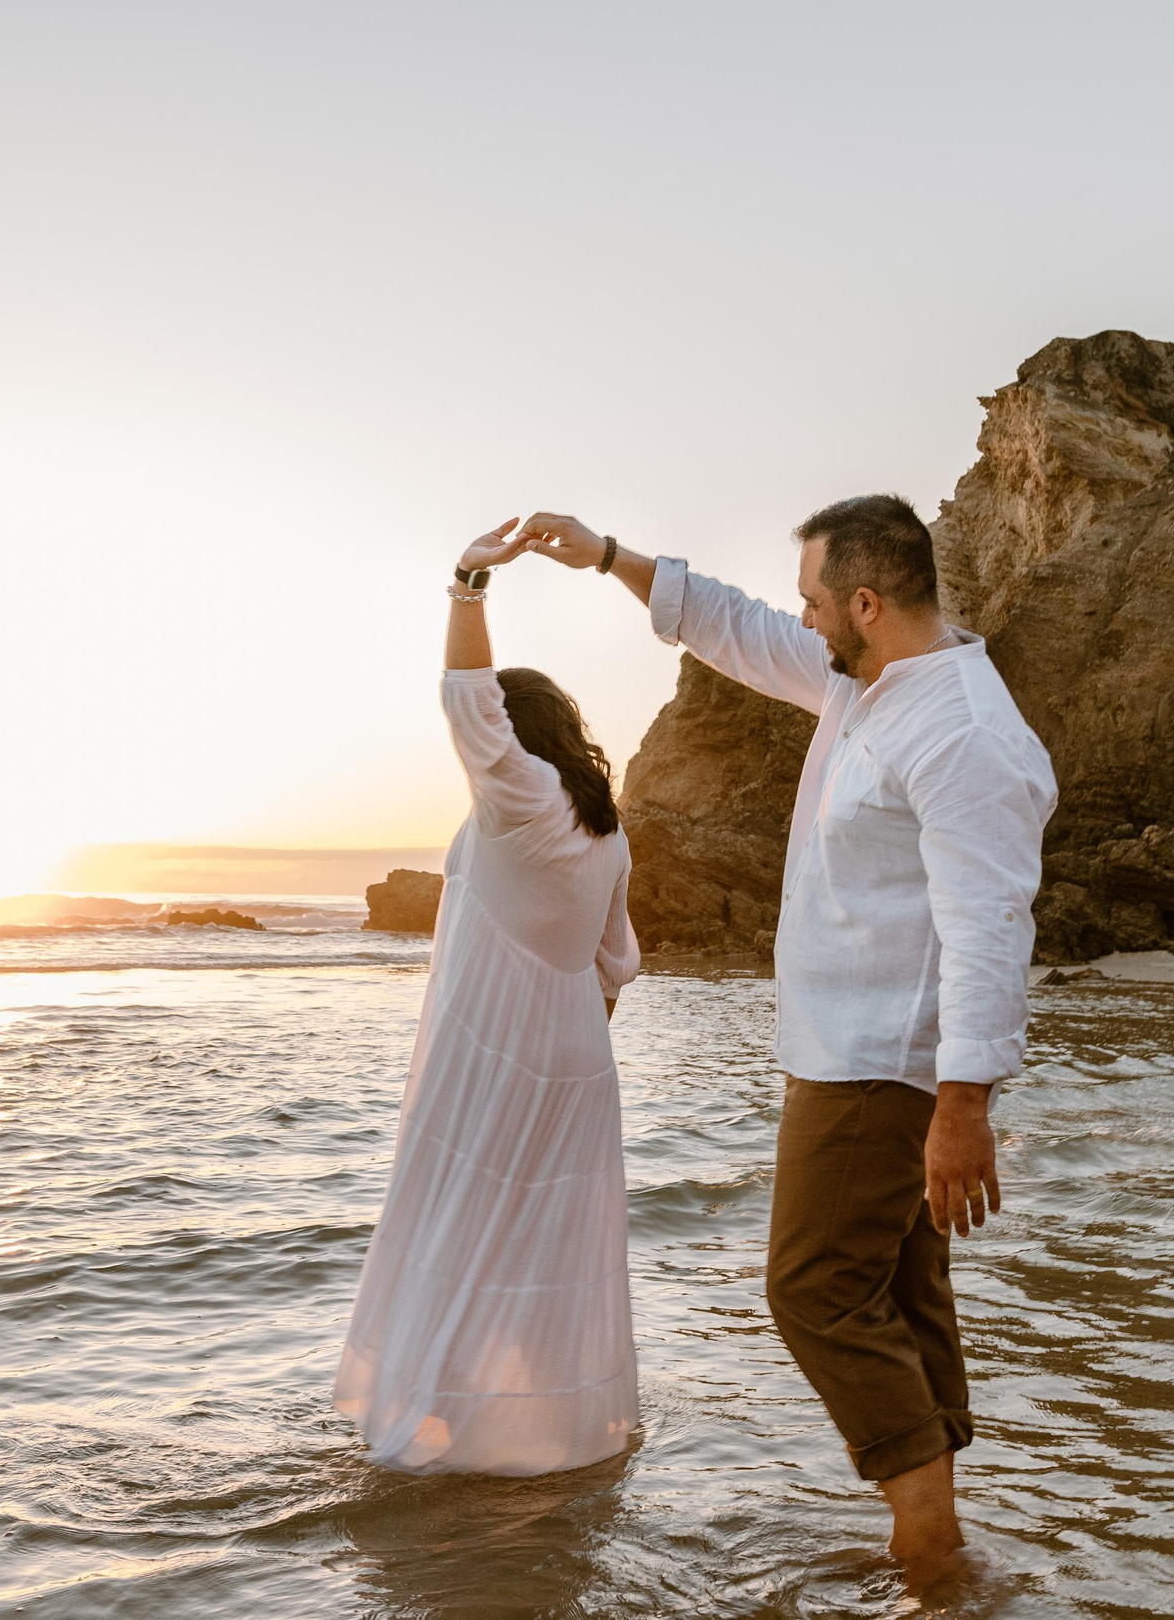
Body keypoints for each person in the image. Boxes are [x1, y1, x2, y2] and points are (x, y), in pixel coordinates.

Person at [516, 497, 1056, 1572]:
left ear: (865, 601)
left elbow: (989, 925)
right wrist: (608, 558)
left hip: (882, 1067)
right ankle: (936, 1534)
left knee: (810, 1288)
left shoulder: (962, 732)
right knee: (902, 1292)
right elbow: (733, 625)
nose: (801, 619)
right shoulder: (864, 680)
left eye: (816, 600)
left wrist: (964, 1104)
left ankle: (927, 1536)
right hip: (843, 1051)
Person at [334, 517, 644, 1476]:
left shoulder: (523, 796)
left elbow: (467, 698)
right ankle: (544, 1427)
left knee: (458, 1220)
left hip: (498, 1050)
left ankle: (449, 1429)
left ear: (516, 737)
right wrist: (559, 1055)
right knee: (535, 1246)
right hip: (573, 1059)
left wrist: (468, 580)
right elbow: (615, 965)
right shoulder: (606, 829)